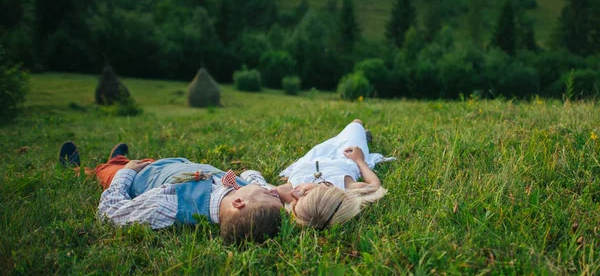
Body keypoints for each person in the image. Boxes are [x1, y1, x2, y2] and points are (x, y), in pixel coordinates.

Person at [58, 142, 282, 244]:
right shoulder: (240, 192)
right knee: (133, 162)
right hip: (165, 166)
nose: (269, 190)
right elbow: (253, 174)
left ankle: (77, 168)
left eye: (268, 194)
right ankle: (118, 158)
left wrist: (125, 174)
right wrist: (274, 193)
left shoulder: (171, 205)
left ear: (239, 203)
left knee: (106, 172)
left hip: (139, 178)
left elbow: (110, 213)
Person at [244, 119, 394, 230]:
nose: (295, 193)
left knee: (335, 138)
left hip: (314, 156)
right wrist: (360, 160)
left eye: (294, 203)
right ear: (328, 187)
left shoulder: (289, 194)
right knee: (356, 123)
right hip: (346, 155)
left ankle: (357, 137)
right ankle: (363, 139)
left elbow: (262, 188)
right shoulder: (346, 187)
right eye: (303, 193)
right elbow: (375, 186)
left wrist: (260, 185)